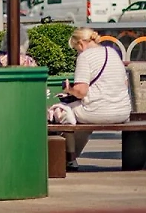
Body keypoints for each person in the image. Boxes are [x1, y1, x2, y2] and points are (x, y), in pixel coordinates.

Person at [55, 27, 132, 168]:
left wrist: (68, 89)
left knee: (62, 110)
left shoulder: (85, 57)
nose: (77, 52)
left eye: (76, 49)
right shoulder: (112, 52)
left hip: (97, 112)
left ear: (80, 44)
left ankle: (70, 158)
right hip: (122, 112)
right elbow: (124, 83)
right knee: (81, 114)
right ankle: (72, 157)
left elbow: (81, 91)